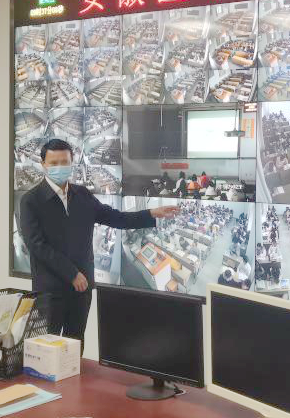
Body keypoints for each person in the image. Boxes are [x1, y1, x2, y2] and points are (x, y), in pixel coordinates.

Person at [19, 139, 179, 343]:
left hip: (81, 290)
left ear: (72, 162)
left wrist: (151, 213)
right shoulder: (31, 201)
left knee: (75, 345)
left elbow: (117, 218)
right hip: (50, 292)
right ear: (43, 164)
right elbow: (37, 246)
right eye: (54, 163)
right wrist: (72, 273)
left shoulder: (82, 195)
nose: (60, 168)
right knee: (46, 348)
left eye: (65, 162)